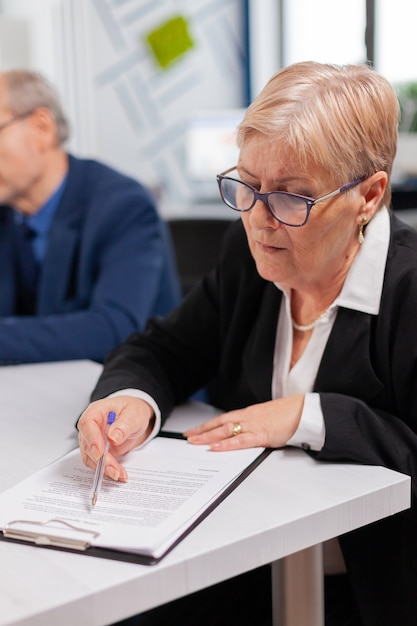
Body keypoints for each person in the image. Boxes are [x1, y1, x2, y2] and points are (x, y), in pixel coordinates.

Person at [77, 61, 417, 626]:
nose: (258, 221)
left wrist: (309, 417)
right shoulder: (251, 259)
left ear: (370, 195)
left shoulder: (407, 288)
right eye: (247, 186)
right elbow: (163, 349)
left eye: (291, 198)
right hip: (243, 565)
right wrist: (130, 400)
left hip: (372, 595)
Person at [0, 69, 181, 364]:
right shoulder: (8, 213)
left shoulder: (124, 205)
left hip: (137, 393)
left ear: (41, 128)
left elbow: (113, 329)